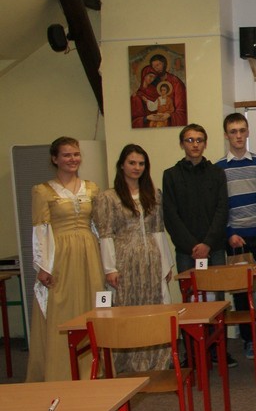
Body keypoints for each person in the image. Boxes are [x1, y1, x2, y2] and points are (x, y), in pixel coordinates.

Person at [26, 137, 106, 382]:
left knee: (91, 307)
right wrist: (43, 266)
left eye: (76, 154)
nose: (73, 159)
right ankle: (61, 370)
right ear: (55, 159)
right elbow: (40, 229)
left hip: (88, 253)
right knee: (61, 310)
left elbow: (97, 226)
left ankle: (92, 368)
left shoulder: (91, 188)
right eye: (67, 155)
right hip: (60, 255)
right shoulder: (43, 191)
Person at [93, 144, 174, 373]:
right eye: (132, 163)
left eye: (141, 163)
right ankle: (127, 361)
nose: (137, 167)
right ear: (122, 165)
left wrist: (165, 264)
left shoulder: (153, 194)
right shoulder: (108, 197)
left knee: (154, 306)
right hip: (124, 259)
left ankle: (155, 360)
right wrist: (110, 268)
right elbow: (106, 234)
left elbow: (158, 230)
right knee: (127, 308)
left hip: (151, 257)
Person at [163, 123, 233, 366]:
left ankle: (218, 351)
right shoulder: (171, 175)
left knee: (216, 300)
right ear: (182, 144)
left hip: (214, 249)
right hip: (186, 251)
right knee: (189, 303)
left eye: (199, 140)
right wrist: (192, 245)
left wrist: (207, 244)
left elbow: (222, 210)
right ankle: (191, 354)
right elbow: (170, 215)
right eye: (190, 140)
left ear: (205, 143)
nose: (195, 144)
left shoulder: (217, 173)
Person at [216, 113, 256, 360]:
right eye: (233, 131)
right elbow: (220, 207)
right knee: (243, 294)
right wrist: (229, 233)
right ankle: (250, 340)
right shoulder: (218, 168)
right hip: (237, 241)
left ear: (248, 132)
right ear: (226, 135)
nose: (238, 136)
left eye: (242, 130)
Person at [130, 54, 187, 128]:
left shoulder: (175, 82)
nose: (156, 68)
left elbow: (181, 110)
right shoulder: (152, 84)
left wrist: (169, 115)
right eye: (153, 66)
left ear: (165, 64)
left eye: (158, 65)